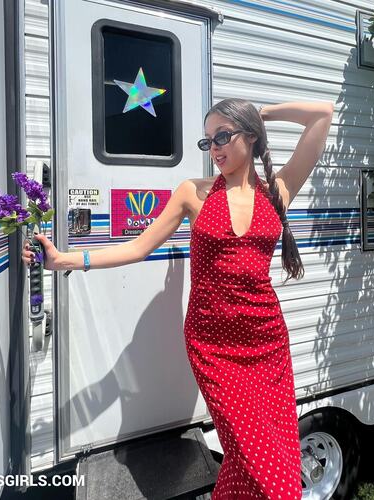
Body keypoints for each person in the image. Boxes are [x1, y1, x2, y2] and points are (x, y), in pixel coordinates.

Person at [22, 98, 334, 499]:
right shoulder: (194, 193)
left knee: (254, 461)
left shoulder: (278, 190)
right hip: (215, 347)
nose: (214, 148)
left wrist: (262, 113)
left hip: (267, 343)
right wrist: (65, 259)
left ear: (251, 136)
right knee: (275, 480)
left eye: (222, 136)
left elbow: (322, 114)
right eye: (208, 141)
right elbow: (138, 247)